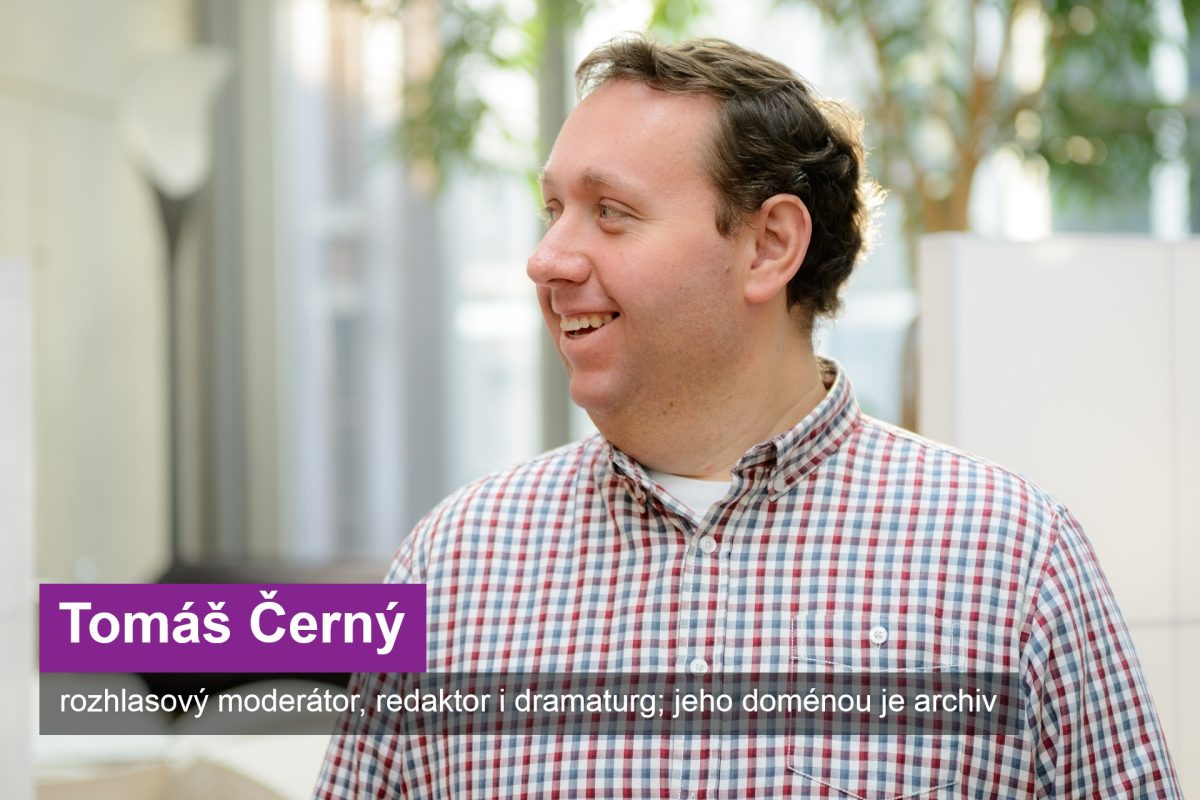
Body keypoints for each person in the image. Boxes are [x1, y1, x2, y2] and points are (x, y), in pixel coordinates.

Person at [315, 35, 1180, 798]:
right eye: (553, 210)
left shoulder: (1014, 563)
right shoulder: (451, 567)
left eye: (610, 212)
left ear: (769, 246)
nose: (546, 259)